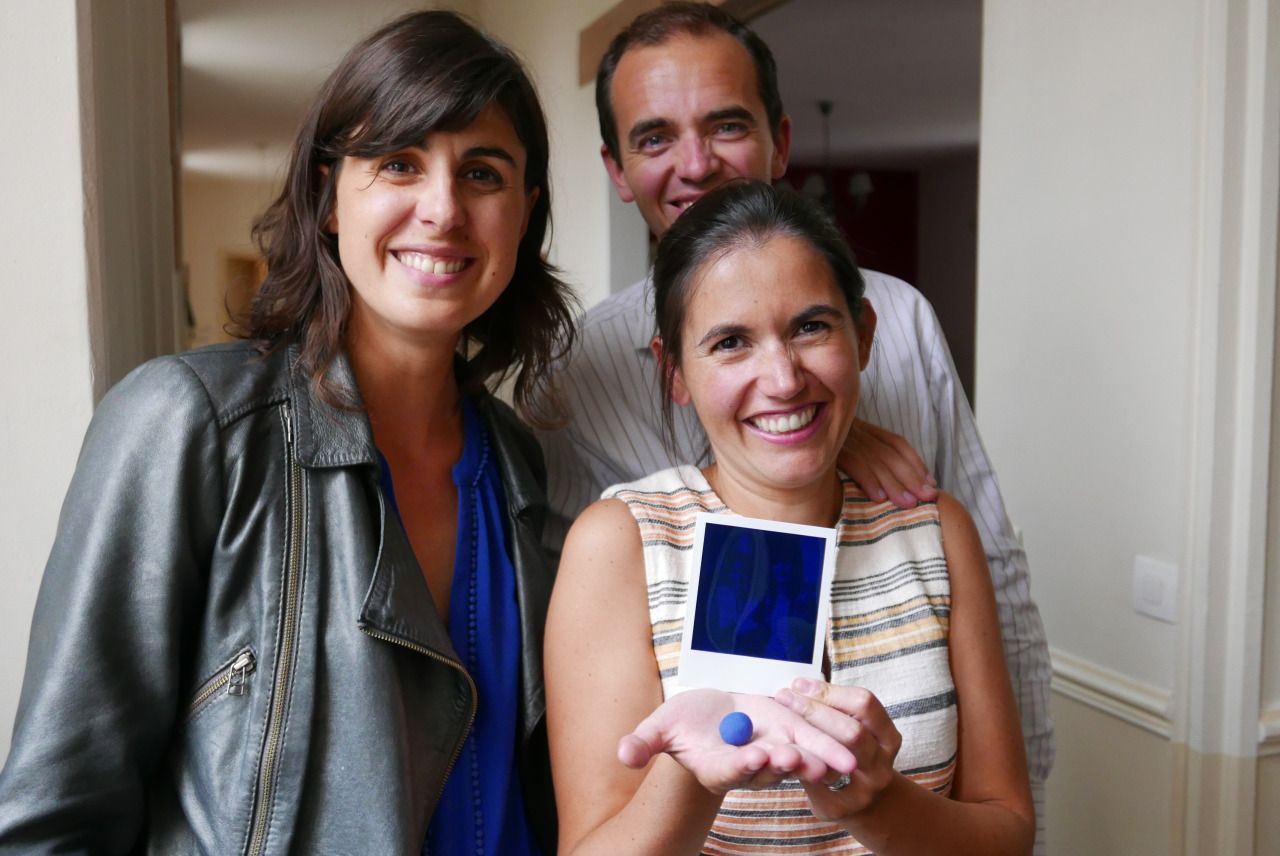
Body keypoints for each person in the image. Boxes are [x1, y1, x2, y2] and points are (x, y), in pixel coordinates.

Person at [0, 11, 573, 854]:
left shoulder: (521, 470)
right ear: (329, 197)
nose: (443, 209)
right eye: (399, 164)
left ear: (524, 215)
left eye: (483, 173)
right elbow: (54, 819)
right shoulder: (190, 423)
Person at [530, 2, 1053, 842]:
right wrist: (693, 771)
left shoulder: (914, 399)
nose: (696, 164)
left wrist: (914, 798)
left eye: (812, 326)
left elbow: (994, 575)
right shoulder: (589, 417)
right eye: (656, 136)